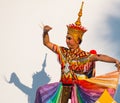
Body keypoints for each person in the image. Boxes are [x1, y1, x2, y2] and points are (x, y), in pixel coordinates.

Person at [35, 2, 120, 103]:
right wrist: (45, 32)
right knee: (41, 91)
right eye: (66, 37)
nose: (67, 40)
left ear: (77, 40)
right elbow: (47, 42)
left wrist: (115, 60)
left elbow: (99, 57)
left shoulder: (85, 56)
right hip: (63, 87)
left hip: (79, 89)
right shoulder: (62, 51)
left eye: (69, 38)